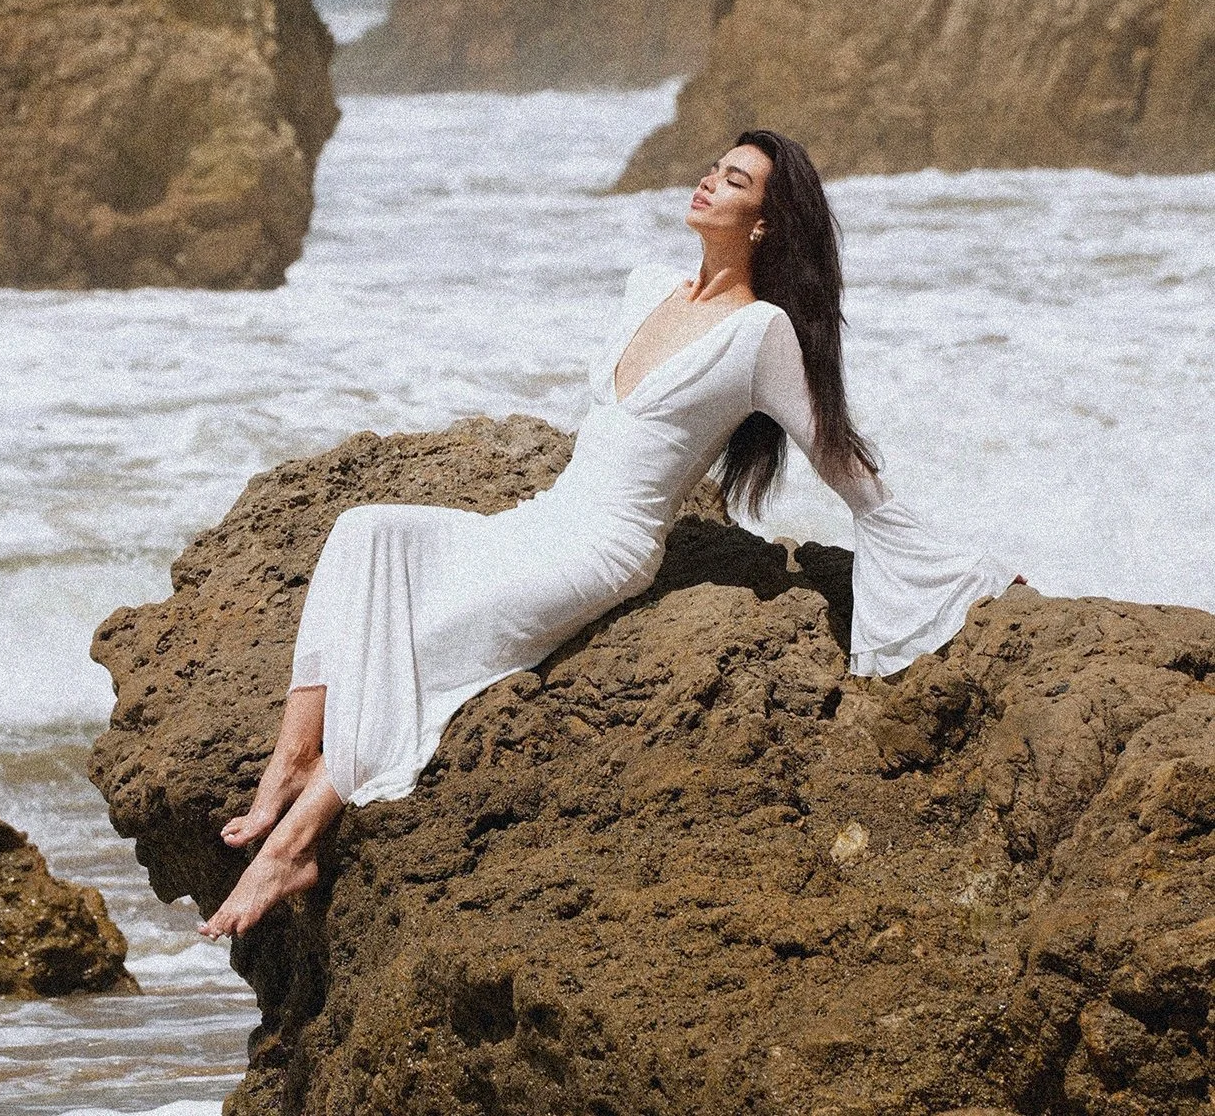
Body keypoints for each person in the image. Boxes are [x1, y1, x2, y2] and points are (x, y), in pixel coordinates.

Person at [199, 129, 1014, 939]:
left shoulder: (761, 333)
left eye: (734, 181)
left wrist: (944, 563)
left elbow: (837, 457)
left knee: (434, 639)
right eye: (713, 168)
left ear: (763, 222)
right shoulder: (647, 287)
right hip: (543, 518)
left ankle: (296, 843)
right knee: (365, 532)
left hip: (602, 551)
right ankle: (293, 761)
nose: (708, 182)